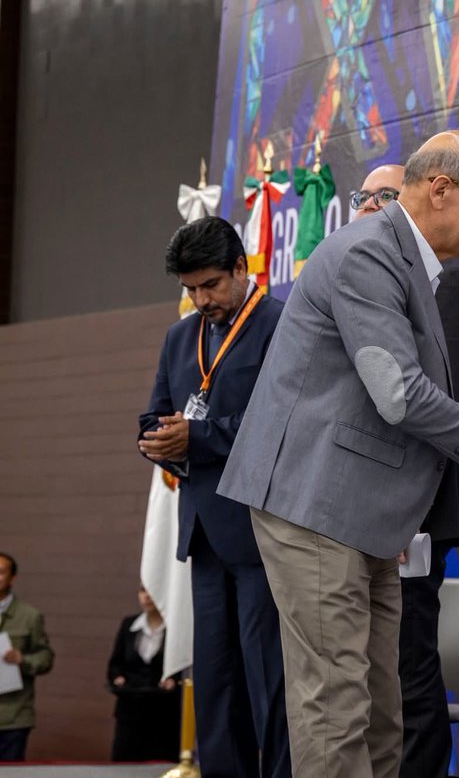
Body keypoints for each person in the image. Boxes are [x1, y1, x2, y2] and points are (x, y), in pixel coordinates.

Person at [216, 130, 459, 778]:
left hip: (363, 516)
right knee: (337, 705)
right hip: (316, 505)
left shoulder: (412, 263)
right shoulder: (369, 252)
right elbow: (398, 393)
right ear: (441, 189)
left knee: (380, 711)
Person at [137, 215, 290, 778]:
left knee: (269, 679)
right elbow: (154, 412)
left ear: (240, 268)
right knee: (216, 681)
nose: (201, 299)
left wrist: (196, 436)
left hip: (263, 532)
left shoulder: (282, 324)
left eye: (210, 286)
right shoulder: (180, 336)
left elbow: (282, 423)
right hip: (202, 532)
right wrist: (156, 441)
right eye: (190, 290)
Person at [353, 162, 459, 778]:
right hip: (353, 514)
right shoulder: (358, 282)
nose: (368, 208)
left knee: (407, 675)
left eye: (383, 196)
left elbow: (440, 397)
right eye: (362, 198)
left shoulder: (446, 289)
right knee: (362, 682)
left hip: (413, 517)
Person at [107, 586, 182, 761]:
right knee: (124, 761)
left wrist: (173, 680)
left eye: (152, 591)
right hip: (130, 708)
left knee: (160, 762)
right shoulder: (129, 625)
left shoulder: (175, 628)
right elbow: (115, 664)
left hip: (163, 712)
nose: (146, 596)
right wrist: (118, 677)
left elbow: (183, 664)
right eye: (142, 591)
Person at [0, 553, 54, 762]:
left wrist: (22, 660)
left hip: (13, 715)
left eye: (1, 572)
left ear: (12, 578)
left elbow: (46, 657)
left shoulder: (30, 616)